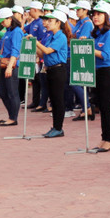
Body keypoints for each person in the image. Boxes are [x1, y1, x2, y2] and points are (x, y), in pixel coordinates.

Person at [87, 2, 110, 153]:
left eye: (99, 14)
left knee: (107, 107)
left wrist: (88, 48)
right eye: (94, 14)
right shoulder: (96, 34)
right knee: (101, 106)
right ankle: (104, 138)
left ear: (106, 16)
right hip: (98, 71)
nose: (95, 17)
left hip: (108, 71)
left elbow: (105, 55)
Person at [33, 10, 71, 138]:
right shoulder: (49, 36)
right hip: (50, 69)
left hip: (58, 70)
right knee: (53, 100)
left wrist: (36, 42)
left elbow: (48, 51)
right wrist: (33, 45)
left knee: (58, 100)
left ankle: (59, 128)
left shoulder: (61, 37)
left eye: (50, 21)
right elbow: (42, 53)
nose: (47, 23)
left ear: (58, 23)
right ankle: (55, 126)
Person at [0, 8, 23, 126]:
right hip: (4, 64)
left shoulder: (17, 31)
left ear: (9, 19)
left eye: (3, 21)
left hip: (11, 66)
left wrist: (10, 66)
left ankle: (13, 118)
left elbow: (15, 51)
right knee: (2, 92)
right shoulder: (8, 31)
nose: (2, 23)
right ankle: (11, 115)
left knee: (12, 93)